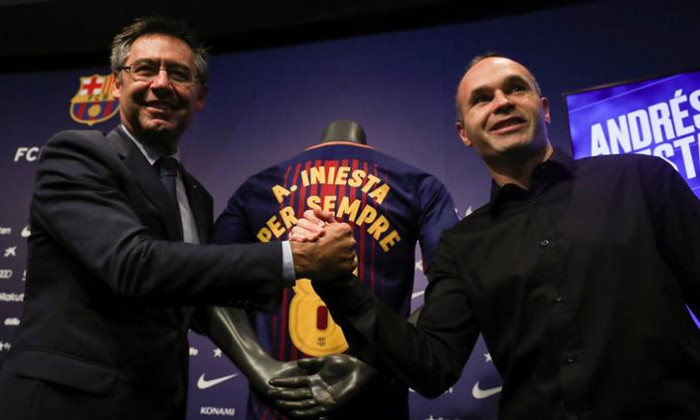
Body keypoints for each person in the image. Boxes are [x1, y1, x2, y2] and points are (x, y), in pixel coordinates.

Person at [290, 54, 700, 420]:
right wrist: (338, 283)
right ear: (464, 132)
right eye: (482, 98)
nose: (502, 102)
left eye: (515, 89)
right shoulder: (462, 245)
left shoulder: (642, 180)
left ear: (543, 109)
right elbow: (431, 366)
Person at [0, 16, 355, 420]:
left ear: (199, 95)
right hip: (64, 405)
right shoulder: (77, 155)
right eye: (146, 69)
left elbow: (196, 292)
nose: (162, 84)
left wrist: (266, 364)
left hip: (153, 403)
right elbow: (134, 265)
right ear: (116, 83)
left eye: (179, 74)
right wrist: (294, 258)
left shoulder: (196, 196)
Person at [209, 119, 458, 419]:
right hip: (376, 404)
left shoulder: (255, 188)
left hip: (279, 403)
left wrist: (263, 367)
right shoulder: (417, 186)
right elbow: (451, 291)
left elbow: (208, 288)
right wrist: (374, 367)